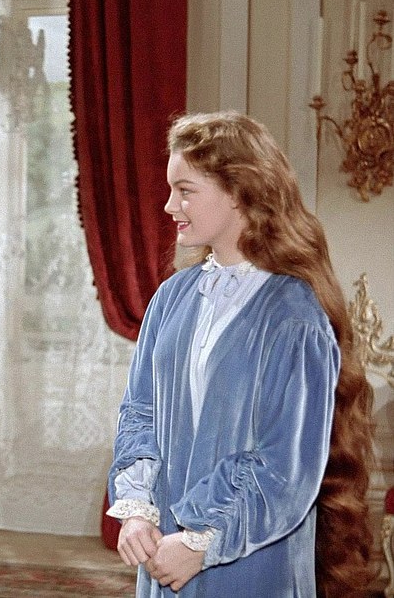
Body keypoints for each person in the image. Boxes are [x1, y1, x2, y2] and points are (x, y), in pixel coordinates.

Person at [106, 111, 374, 597]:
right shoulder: (172, 297)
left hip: (250, 563)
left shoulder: (294, 315)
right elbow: (140, 413)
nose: (169, 205)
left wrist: (199, 541)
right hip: (165, 556)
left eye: (185, 190)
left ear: (237, 192)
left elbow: (285, 468)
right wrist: (137, 512)